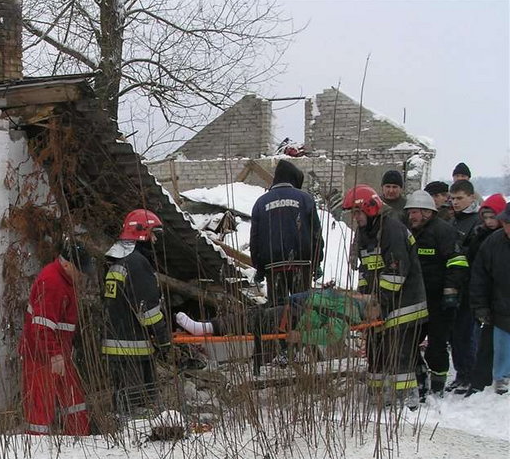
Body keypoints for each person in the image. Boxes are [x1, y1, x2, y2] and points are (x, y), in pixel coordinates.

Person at [343, 185, 427, 409]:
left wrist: (378, 303)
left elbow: (395, 272)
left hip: (404, 304)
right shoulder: (365, 233)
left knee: (398, 353)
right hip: (381, 304)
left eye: (357, 212)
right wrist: (364, 301)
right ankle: (380, 396)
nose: (355, 218)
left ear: (370, 209)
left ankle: (408, 400)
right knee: (375, 351)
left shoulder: (392, 230)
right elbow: (365, 270)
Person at [102, 209, 171, 416]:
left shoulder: (119, 260)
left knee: (123, 402)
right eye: (154, 233)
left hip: (117, 345)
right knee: (138, 408)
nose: (156, 239)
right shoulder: (137, 264)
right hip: (133, 349)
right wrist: (163, 339)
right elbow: (147, 311)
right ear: (143, 233)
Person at [21, 241, 93, 435]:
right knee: (40, 408)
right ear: (67, 264)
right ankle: (37, 448)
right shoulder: (53, 282)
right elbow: (41, 326)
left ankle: (80, 440)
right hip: (42, 355)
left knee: (74, 401)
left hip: (57, 353)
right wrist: (54, 355)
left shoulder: (63, 280)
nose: (82, 276)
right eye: (80, 271)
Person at [403, 190, 468, 397]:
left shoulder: (443, 231)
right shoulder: (409, 232)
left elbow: (458, 262)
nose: (411, 216)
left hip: (440, 300)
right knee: (410, 341)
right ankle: (420, 376)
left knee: (437, 346)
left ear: (427, 212)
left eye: (415, 212)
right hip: (417, 299)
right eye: (410, 212)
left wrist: (450, 290)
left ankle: (438, 385)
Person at [176, 288, 381, 350]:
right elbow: (332, 334)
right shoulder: (351, 312)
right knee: (251, 321)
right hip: (295, 318)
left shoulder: (347, 303)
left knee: (252, 318)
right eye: (376, 314)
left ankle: (205, 326)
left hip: (294, 312)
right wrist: (302, 335)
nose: (374, 319)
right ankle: (203, 328)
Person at [250, 159, 324, 306]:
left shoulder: (260, 203)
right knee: (302, 310)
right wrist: (317, 262)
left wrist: (258, 268)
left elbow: (255, 240)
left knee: (277, 312)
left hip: (273, 268)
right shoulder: (305, 199)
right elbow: (316, 233)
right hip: (301, 266)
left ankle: (279, 329)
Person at [466, 194, 507, 395]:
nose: (490, 222)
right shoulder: (490, 242)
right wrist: (480, 305)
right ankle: (486, 384)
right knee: (489, 347)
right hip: (495, 305)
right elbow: (479, 276)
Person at [447, 179, 481, 393]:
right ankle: (461, 373)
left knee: (466, 333)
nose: (456, 202)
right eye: (453, 199)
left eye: (460, 198)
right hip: (454, 284)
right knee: (454, 333)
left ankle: (469, 374)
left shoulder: (476, 222)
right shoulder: (454, 221)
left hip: (469, 285)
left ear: (471, 198)